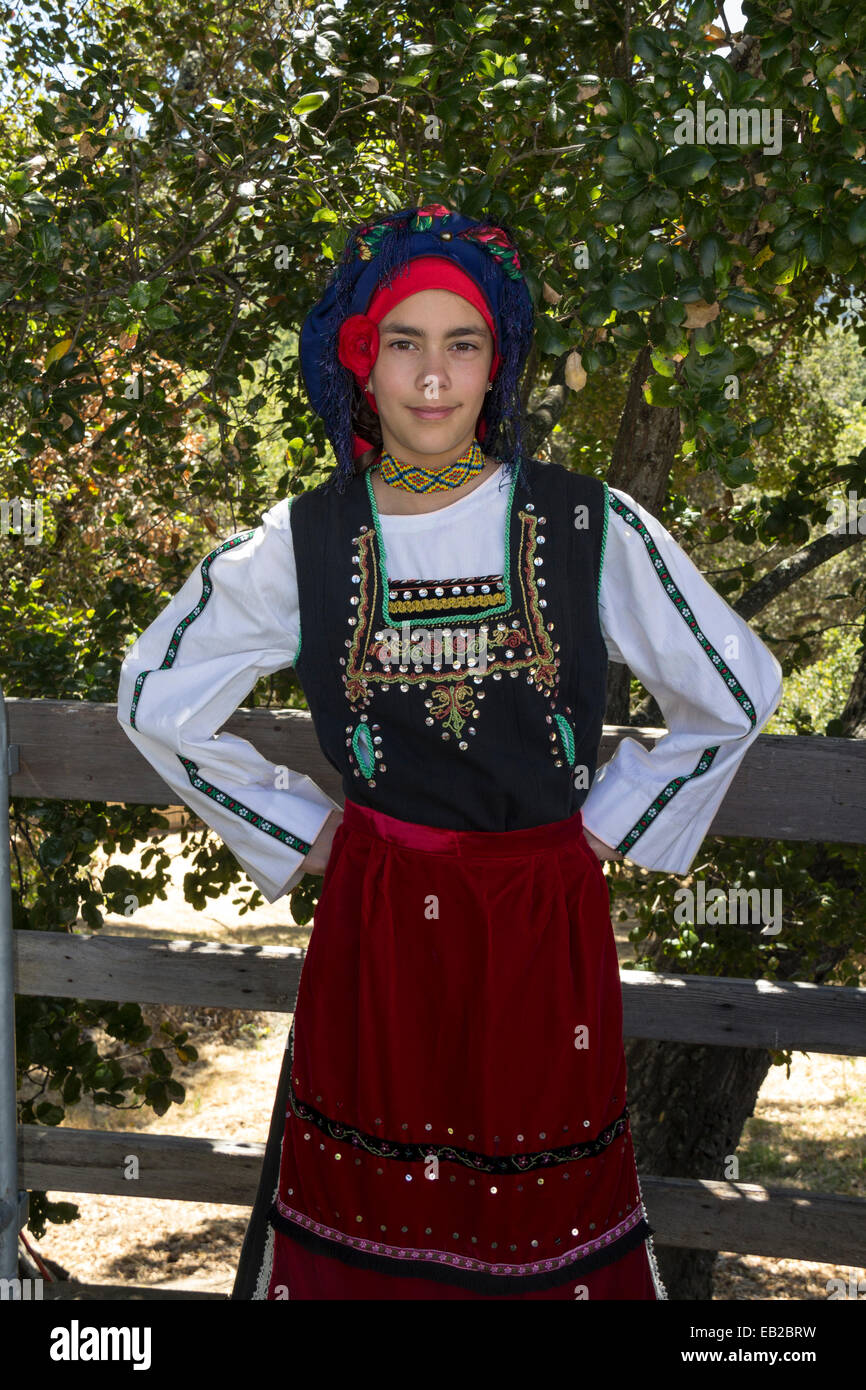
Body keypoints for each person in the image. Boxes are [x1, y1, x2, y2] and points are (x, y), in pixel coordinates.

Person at [116, 203, 783, 1300]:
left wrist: (613, 818)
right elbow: (154, 695)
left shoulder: (581, 523)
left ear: (496, 364)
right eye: (404, 341)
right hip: (378, 916)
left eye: (460, 342)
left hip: (541, 918)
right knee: (369, 1212)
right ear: (360, 361)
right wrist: (301, 824)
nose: (433, 374)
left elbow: (734, 684)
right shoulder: (306, 539)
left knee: (545, 1217)